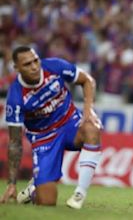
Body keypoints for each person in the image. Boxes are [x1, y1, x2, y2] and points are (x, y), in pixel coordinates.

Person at [0, 46, 102, 209]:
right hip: (43, 139)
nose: (34, 67)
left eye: (35, 61)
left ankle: (79, 194)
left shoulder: (54, 67)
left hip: (69, 122)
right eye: (27, 64)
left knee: (92, 128)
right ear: (17, 68)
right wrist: (11, 183)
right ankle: (35, 188)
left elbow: (87, 80)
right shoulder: (15, 97)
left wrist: (88, 110)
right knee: (47, 202)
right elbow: (14, 142)